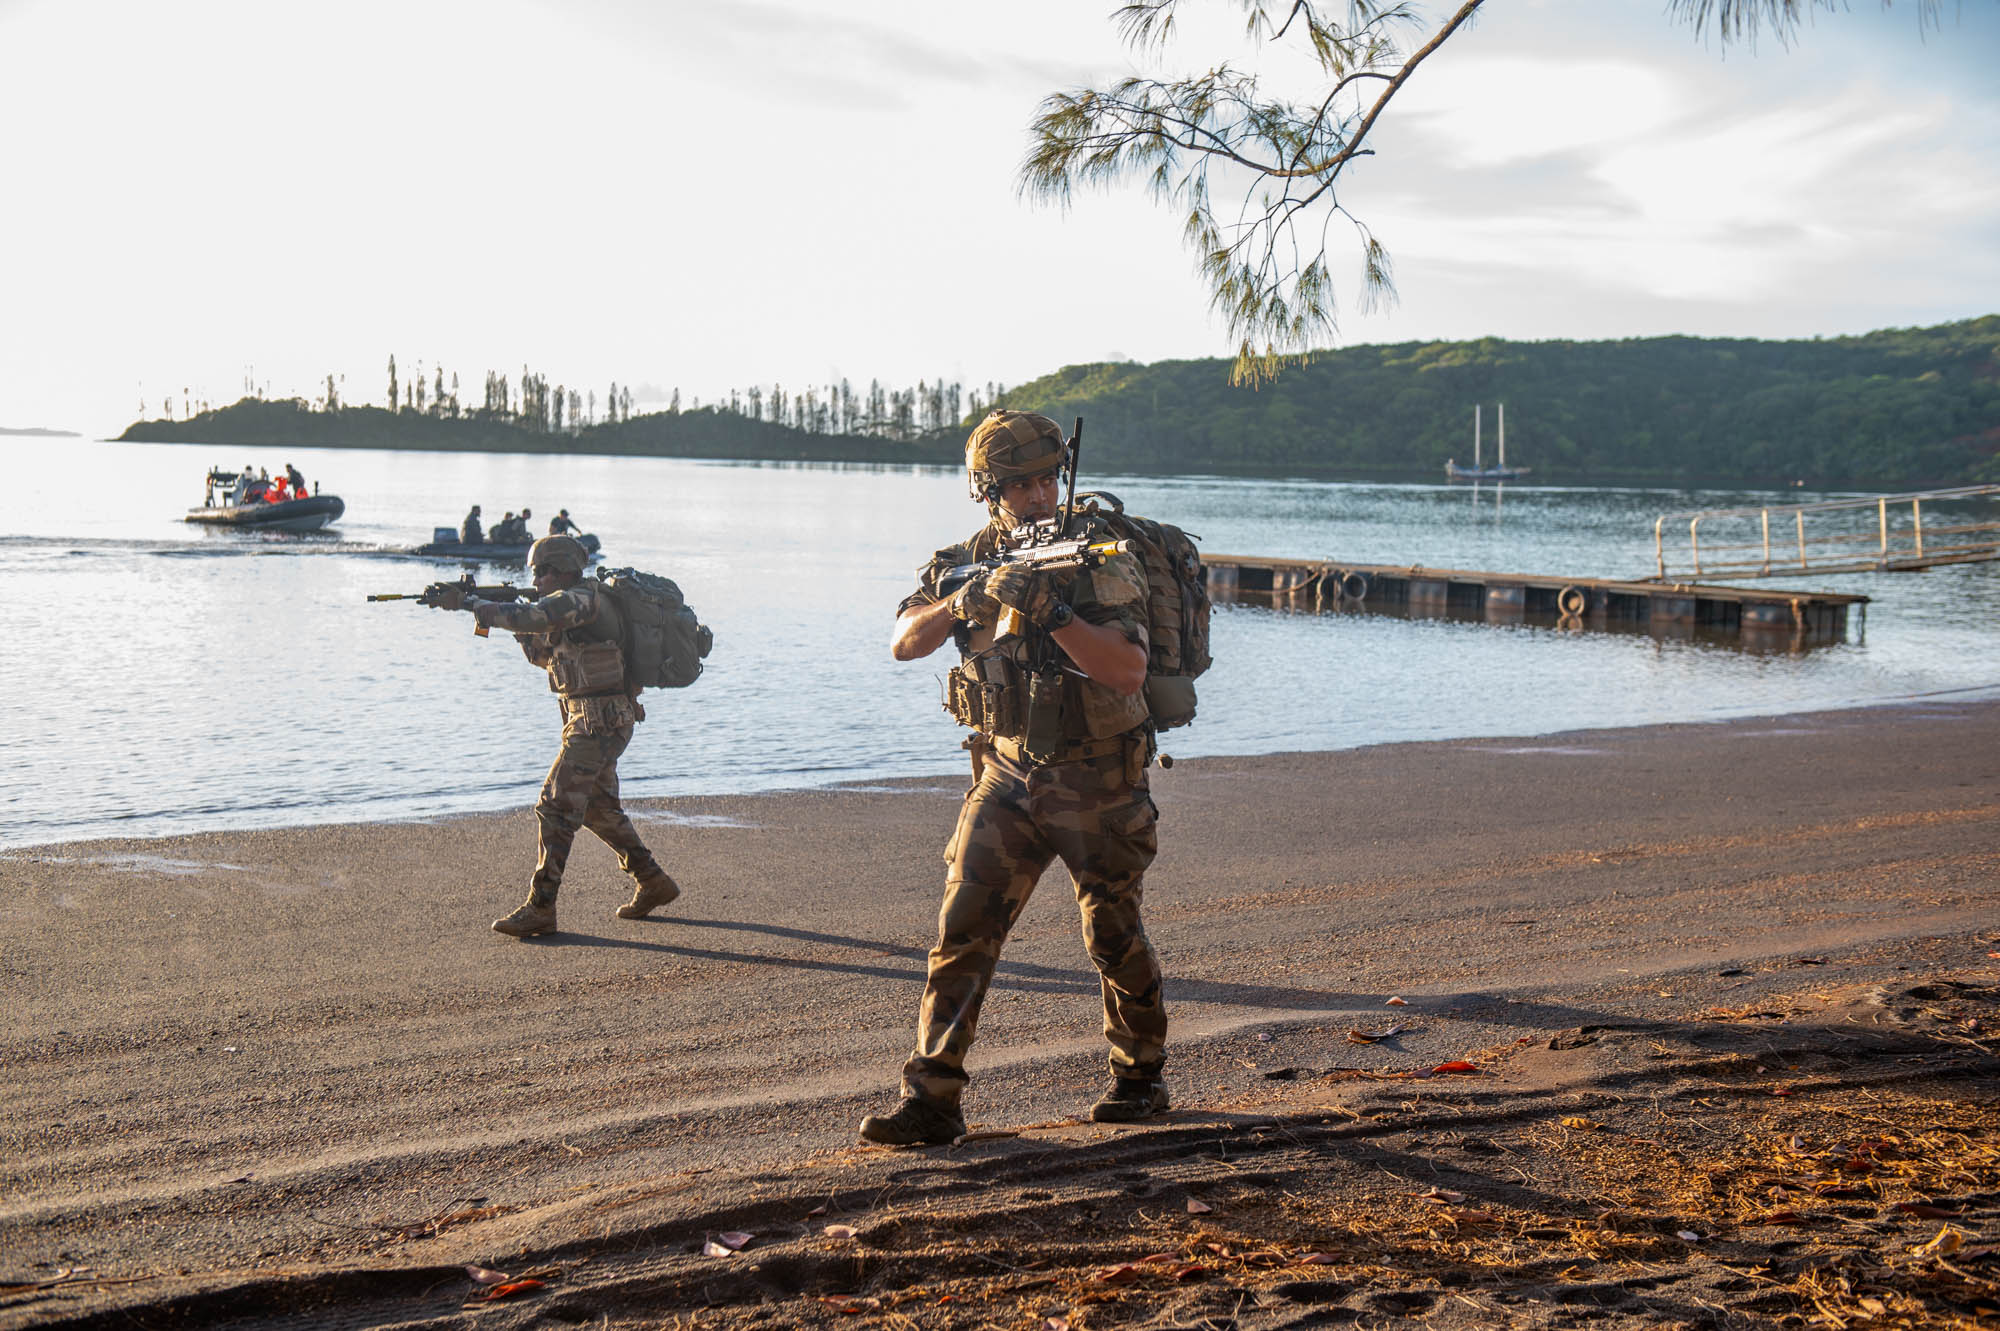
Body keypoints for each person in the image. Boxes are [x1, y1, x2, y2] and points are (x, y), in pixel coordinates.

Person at [858, 410, 1169, 1147]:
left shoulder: (1100, 556)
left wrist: (1053, 610)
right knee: (961, 930)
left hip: (1098, 776)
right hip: (1007, 770)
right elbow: (903, 641)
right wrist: (961, 603)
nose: (1035, 496)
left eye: (1044, 480)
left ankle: (1139, 1076)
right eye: (1017, 485)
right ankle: (933, 1098)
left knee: (1112, 930)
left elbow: (1126, 670)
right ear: (987, 491)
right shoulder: (965, 557)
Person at [421, 535, 682, 936]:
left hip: (597, 723)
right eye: (535, 573)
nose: (537, 578)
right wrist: (496, 613)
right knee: (597, 808)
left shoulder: (582, 600)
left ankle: (541, 907)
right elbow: (544, 654)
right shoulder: (568, 610)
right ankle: (652, 881)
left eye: (541, 571)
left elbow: (536, 617)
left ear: (560, 570)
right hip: (596, 721)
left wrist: (477, 605)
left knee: (554, 806)